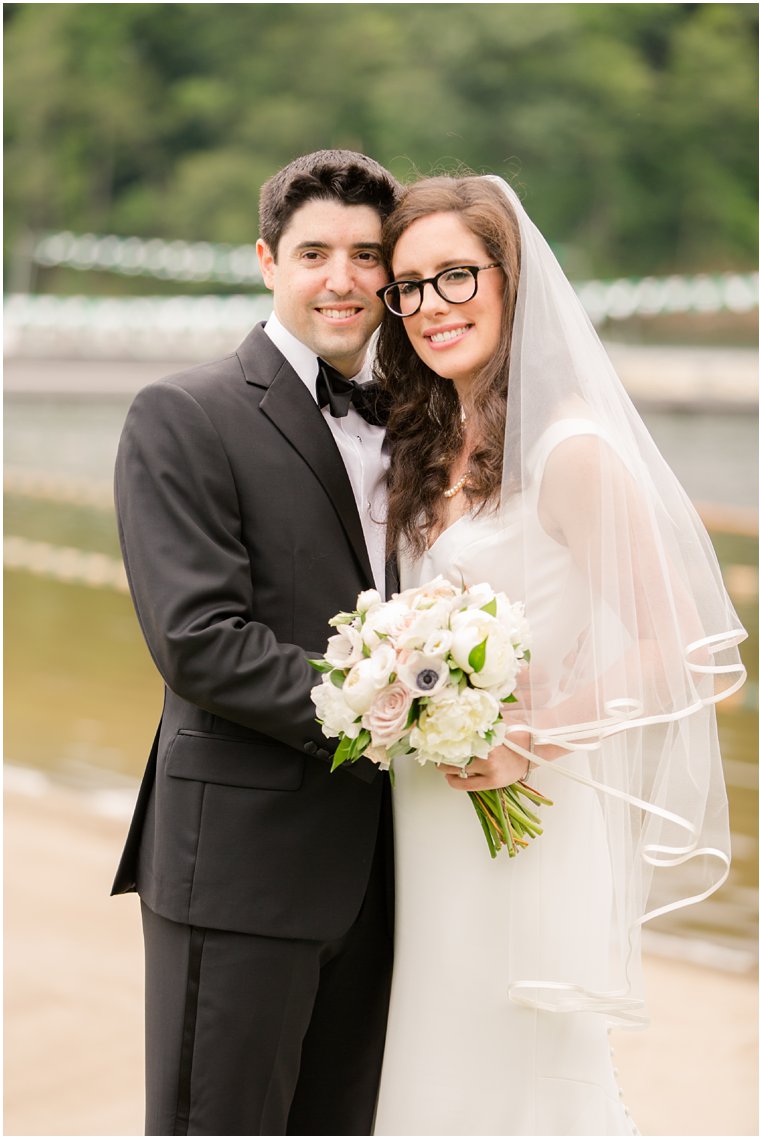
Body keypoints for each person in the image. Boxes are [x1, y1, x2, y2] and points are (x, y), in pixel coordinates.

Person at [368, 174, 745, 1134]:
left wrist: (531, 735)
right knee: (434, 1050)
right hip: (433, 804)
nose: (429, 307)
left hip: (521, 801)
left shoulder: (572, 449)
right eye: (409, 286)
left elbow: (679, 650)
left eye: (456, 276)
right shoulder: (436, 445)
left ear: (512, 278)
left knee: (517, 1063)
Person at [111, 150, 402, 1134]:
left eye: (368, 255)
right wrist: (390, 714)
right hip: (239, 866)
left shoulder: (419, 424)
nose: (343, 278)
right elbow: (198, 638)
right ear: (266, 259)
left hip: (385, 874)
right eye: (315, 251)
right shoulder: (184, 414)